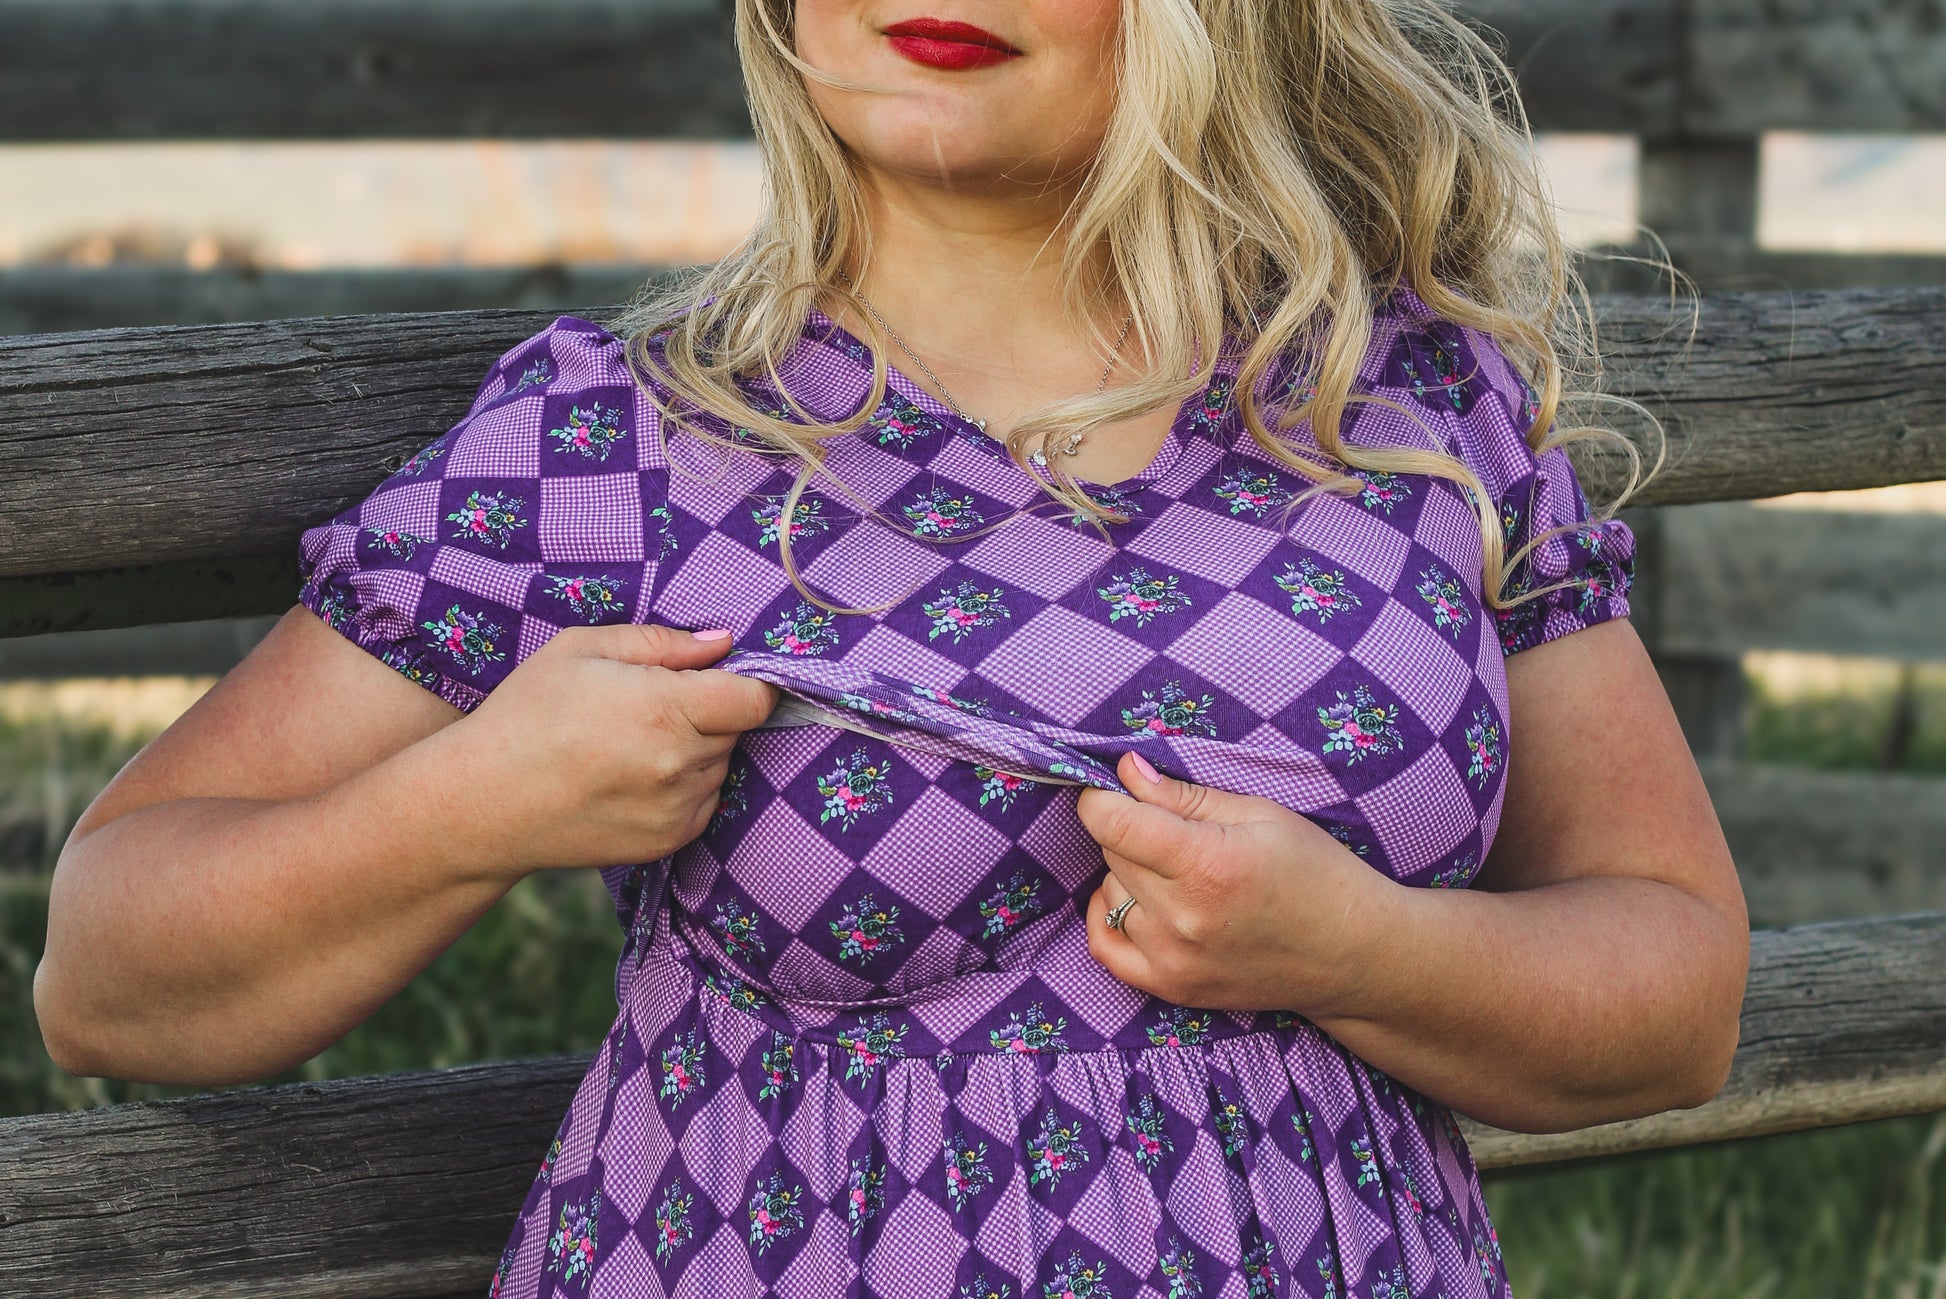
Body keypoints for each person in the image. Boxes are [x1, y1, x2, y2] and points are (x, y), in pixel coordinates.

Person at [34, 2, 1751, 1296]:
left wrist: (1355, 948)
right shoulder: (621, 446)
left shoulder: (1406, 406)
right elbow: (110, 976)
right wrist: (472, 804)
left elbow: (1672, 995)